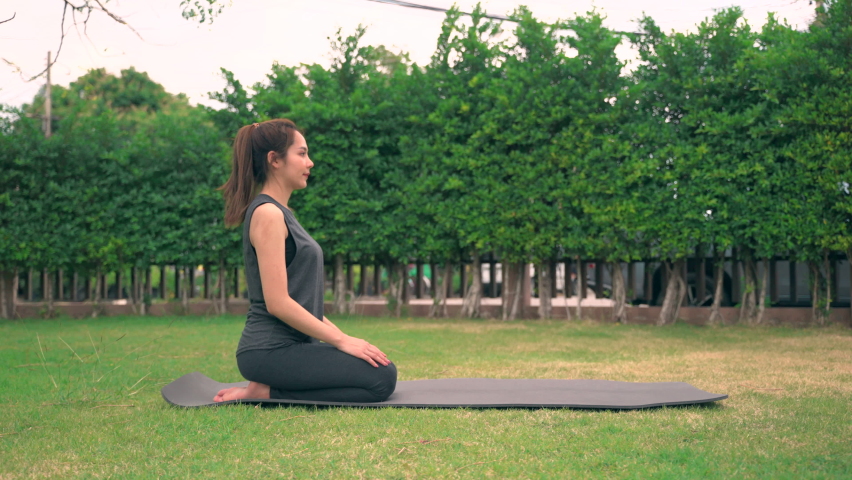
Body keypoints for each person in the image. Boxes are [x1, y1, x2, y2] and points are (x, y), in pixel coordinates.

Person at [213, 119, 397, 403]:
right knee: (381, 380)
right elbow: (278, 303)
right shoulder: (267, 214)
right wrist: (341, 342)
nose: (309, 163)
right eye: (302, 153)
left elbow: (302, 302)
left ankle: (265, 388)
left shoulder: (283, 213)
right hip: (269, 351)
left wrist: (345, 338)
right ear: (274, 159)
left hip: (291, 348)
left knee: (380, 369)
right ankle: (265, 391)